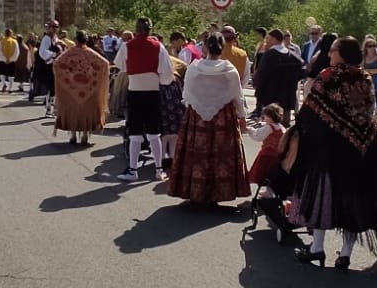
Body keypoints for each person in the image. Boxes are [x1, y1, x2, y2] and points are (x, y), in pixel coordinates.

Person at [291, 37, 377, 271]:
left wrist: (300, 132)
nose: (330, 55)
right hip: (363, 146)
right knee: (353, 200)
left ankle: (317, 248)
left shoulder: (328, 76)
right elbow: (370, 110)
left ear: (341, 54)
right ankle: (345, 254)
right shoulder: (364, 77)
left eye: (333, 51)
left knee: (323, 197)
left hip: (331, 148)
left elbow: (310, 111)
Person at [167, 32, 250, 204]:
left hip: (197, 116)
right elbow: (238, 97)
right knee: (220, 155)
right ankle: (218, 193)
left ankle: (194, 191)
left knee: (197, 154)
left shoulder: (194, 68)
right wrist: (242, 117)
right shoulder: (229, 70)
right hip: (223, 117)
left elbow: (186, 96)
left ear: (205, 47)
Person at [115, 18, 174, 182]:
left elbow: (120, 64)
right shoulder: (158, 46)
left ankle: (133, 170)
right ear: (150, 30)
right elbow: (168, 72)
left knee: (134, 133)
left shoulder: (127, 46)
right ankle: (158, 170)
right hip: (153, 92)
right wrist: (160, 81)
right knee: (154, 133)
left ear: (136, 29)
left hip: (135, 92)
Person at [51, 30, 110, 146]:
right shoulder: (92, 54)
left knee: (73, 111)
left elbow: (57, 64)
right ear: (86, 40)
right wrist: (93, 81)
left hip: (72, 89)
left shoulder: (69, 53)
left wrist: (68, 80)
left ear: (76, 40)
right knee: (86, 112)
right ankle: (84, 136)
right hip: (88, 90)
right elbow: (105, 64)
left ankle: (73, 136)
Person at [252, 29, 304, 123]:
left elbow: (261, 74)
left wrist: (257, 86)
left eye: (268, 38)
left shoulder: (269, 55)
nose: (266, 41)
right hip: (287, 97)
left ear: (274, 39)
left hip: (271, 98)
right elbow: (301, 71)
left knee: (272, 126)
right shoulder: (293, 56)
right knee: (284, 125)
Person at [247, 103, 288, 188]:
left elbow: (258, 136)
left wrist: (250, 130)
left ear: (270, 116)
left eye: (265, 116)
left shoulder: (269, 127)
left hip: (267, 153)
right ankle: (269, 189)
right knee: (271, 173)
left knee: (260, 172)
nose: (264, 118)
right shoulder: (281, 127)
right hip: (277, 154)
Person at [35, 20, 62, 114]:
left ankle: (51, 107)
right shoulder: (47, 38)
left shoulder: (55, 38)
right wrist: (54, 54)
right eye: (53, 27)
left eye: (56, 27)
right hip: (49, 65)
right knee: (50, 87)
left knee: (54, 87)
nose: (54, 29)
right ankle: (48, 109)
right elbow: (43, 52)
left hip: (55, 65)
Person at [362, 36, 377, 106]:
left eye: (374, 45)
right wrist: (372, 71)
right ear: (366, 47)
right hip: (365, 80)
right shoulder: (363, 57)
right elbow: (361, 69)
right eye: (370, 46)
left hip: (375, 80)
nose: (372, 48)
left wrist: (368, 70)